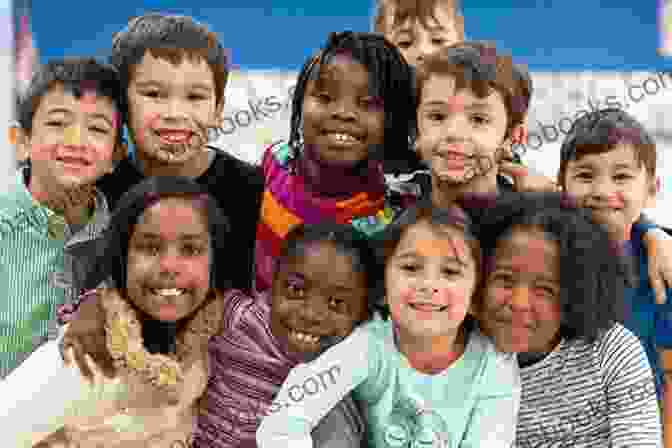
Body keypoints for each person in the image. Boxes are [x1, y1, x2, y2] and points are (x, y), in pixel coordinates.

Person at [257, 201, 520, 447]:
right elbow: (282, 422)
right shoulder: (367, 346)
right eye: (411, 268)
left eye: (450, 272)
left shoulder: (493, 363)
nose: (428, 285)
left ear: (475, 294)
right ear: (384, 286)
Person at [0, 176, 230, 447]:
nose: (169, 266)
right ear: (122, 259)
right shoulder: (83, 356)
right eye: (150, 247)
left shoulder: (210, 338)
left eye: (191, 249)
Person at [475, 192, 662, 446]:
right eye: (505, 279)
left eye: (544, 289)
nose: (519, 303)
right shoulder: (458, 353)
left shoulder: (611, 350)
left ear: (577, 294)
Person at [96, 13, 263, 293]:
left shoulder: (254, 192)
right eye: (154, 94)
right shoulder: (97, 194)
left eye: (195, 97)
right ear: (120, 104)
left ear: (218, 110)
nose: (175, 114)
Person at [254, 31, 418, 294]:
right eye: (325, 98)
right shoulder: (275, 163)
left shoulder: (391, 219)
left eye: (368, 103)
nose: (343, 113)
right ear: (299, 103)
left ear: (393, 121)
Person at [193, 223, 382, 448]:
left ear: (362, 314)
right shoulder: (238, 317)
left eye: (336, 303)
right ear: (273, 283)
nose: (311, 314)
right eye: (296, 290)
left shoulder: (344, 373)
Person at [0, 57, 124, 378]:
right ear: (22, 141)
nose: (76, 141)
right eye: (57, 123)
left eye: (97, 128)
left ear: (116, 156)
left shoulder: (130, 237)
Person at [558, 108, 672, 444]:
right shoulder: (541, 253)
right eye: (585, 175)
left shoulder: (662, 269)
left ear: (652, 189)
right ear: (560, 184)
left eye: (621, 177)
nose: (603, 190)